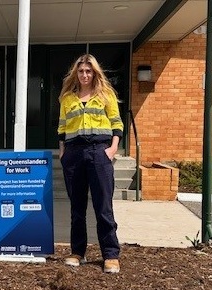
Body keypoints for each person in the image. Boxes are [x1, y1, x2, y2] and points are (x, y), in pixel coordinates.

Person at [58, 54, 123, 274]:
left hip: (99, 151)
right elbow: (62, 128)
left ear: (95, 73)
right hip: (74, 154)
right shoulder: (67, 98)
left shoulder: (106, 95)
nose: (85, 75)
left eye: (89, 71)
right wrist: (63, 152)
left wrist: (112, 149)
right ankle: (78, 252)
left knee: (103, 206)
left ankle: (111, 254)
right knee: (77, 208)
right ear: (75, 74)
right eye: (81, 71)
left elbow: (116, 124)